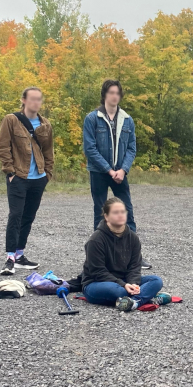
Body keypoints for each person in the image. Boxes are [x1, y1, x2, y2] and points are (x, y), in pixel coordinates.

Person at [83, 79, 150, 269]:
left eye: (117, 93)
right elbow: (90, 148)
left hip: (120, 173)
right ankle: (96, 257)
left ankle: (134, 258)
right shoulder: (92, 119)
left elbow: (131, 148)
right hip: (99, 171)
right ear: (104, 95)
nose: (114, 96)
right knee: (100, 212)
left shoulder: (127, 119)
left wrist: (123, 169)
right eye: (111, 92)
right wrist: (108, 170)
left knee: (126, 211)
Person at [0, 87, 54, 276]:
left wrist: (47, 174)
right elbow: (3, 147)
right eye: (32, 99)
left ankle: (20, 254)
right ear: (23, 100)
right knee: (16, 215)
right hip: (18, 177)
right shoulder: (11, 120)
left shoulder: (45, 125)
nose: (36, 103)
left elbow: (48, 152)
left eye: (39, 99)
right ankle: (10, 258)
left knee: (28, 216)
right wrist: (10, 172)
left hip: (38, 177)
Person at [76, 198, 164, 312]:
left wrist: (133, 284)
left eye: (123, 212)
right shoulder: (96, 240)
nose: (120, 215)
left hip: (124, 280)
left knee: (156, 280)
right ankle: (144, 297)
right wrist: (123, 285)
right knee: (119, 292)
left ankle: (133, 302)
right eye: (116, 212)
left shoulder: (133, 238)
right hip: (97, 283)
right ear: (106, 216)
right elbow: (97, 272)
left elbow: (134, 266)